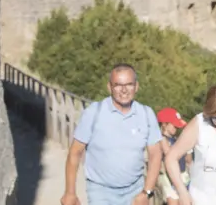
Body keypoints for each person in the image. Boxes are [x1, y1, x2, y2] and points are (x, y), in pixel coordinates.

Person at [62, 64, 165, 205]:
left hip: (135, 191)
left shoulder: (146, 114)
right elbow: (75, 152)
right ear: (109, 87)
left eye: (129, 84)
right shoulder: (93, 113)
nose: (124, 90)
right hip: (101, 192)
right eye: (118, 85)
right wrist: (70, 193)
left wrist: (146, 192)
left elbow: (155, 154)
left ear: (136, 87)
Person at [155, 107, 193, 204]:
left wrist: (188, 148)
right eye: (174, 125)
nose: (177, 128)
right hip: (170, 179)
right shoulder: (162, 139)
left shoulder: (175, 139)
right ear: (164, 124)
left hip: (182, 176)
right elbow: (170, 156)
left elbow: (188, 160)